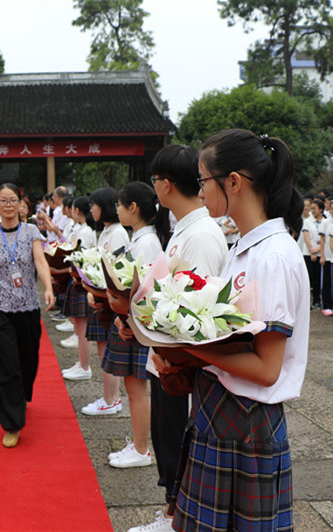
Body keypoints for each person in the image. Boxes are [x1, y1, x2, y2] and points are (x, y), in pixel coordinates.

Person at [152, 129, 309, 531]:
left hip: (246, 424)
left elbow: (267, 368)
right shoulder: (245, 247)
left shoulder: (273, 257)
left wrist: (187, 346)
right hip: (222, 416)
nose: (200, 192)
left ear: (234, 182)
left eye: (204, 181)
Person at [124, 144, 227, 532]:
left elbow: (192, 311)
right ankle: (172, 510)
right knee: (166, 438)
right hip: (165, 355)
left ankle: (176, 515)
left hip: (178, 362)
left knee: (176, 440)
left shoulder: (199, 234)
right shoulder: (186, 229)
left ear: (165, 185)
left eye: (154, 181)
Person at [0, 183, 55, 448]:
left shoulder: (31, 230)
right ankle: (12, 423)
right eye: (3, 201)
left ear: (21, 204)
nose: (8, 205)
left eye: (13, 200)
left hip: (28, 307)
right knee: (7, 364)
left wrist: (48, 288)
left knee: (27, 360)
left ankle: (21, 395)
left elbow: (40, 261)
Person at [103, 182, 166, 469]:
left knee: (136, 388)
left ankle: (141, 449)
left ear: (133, 208)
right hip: (132, 322)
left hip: (138, 325)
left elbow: (146, 291)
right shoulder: (140, 238)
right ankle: (138, 443)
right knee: (133, 387)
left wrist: (126, 315)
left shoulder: (147, 242)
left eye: (120, 205)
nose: (117, 210)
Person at [80, 187, 129, 416]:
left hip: (109, 300)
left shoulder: (118, 233)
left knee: (107, 350)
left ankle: (111, 399)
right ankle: (109, 397)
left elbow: (116, 268)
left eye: (95, 206)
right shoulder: (107, 231)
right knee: (103, 349)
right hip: (101, 298)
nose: (92, 210)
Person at [60, 196, 98, 380]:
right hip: (79, 279)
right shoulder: (82, 229)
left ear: (78, 211)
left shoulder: (85, 231)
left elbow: (82, 256)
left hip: (83, 281)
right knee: (79, 324)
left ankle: (84, 366)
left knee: (82, 327)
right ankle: (81, 363)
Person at [303, 199, 325, 308]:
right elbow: (306, 236)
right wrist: (312, 250)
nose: (312, 211)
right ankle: (307, 302)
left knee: (317, 278)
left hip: (321, 253)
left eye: (314, 208)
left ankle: (317, 300)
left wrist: (318, 250)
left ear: (321, 210)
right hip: (308, 252)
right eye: (311, 208)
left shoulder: (325, 221)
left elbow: (324, 238)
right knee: (308, 278)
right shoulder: (307, 221)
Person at [321, 199, 333, 316]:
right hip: (328, 255)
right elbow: (323, 240)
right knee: (327, 281)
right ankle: (327, 305)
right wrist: (322, 255)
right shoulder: (326, 222)